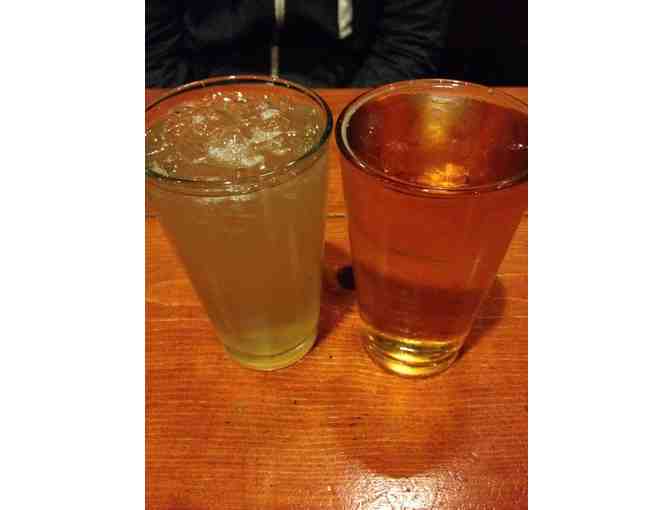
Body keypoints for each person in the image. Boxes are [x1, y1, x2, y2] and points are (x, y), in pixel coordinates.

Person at [146, 0, 451, 88]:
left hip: (344, 98)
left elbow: (410, 42)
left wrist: (346, 121)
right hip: (200, 98)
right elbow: (149, 48)